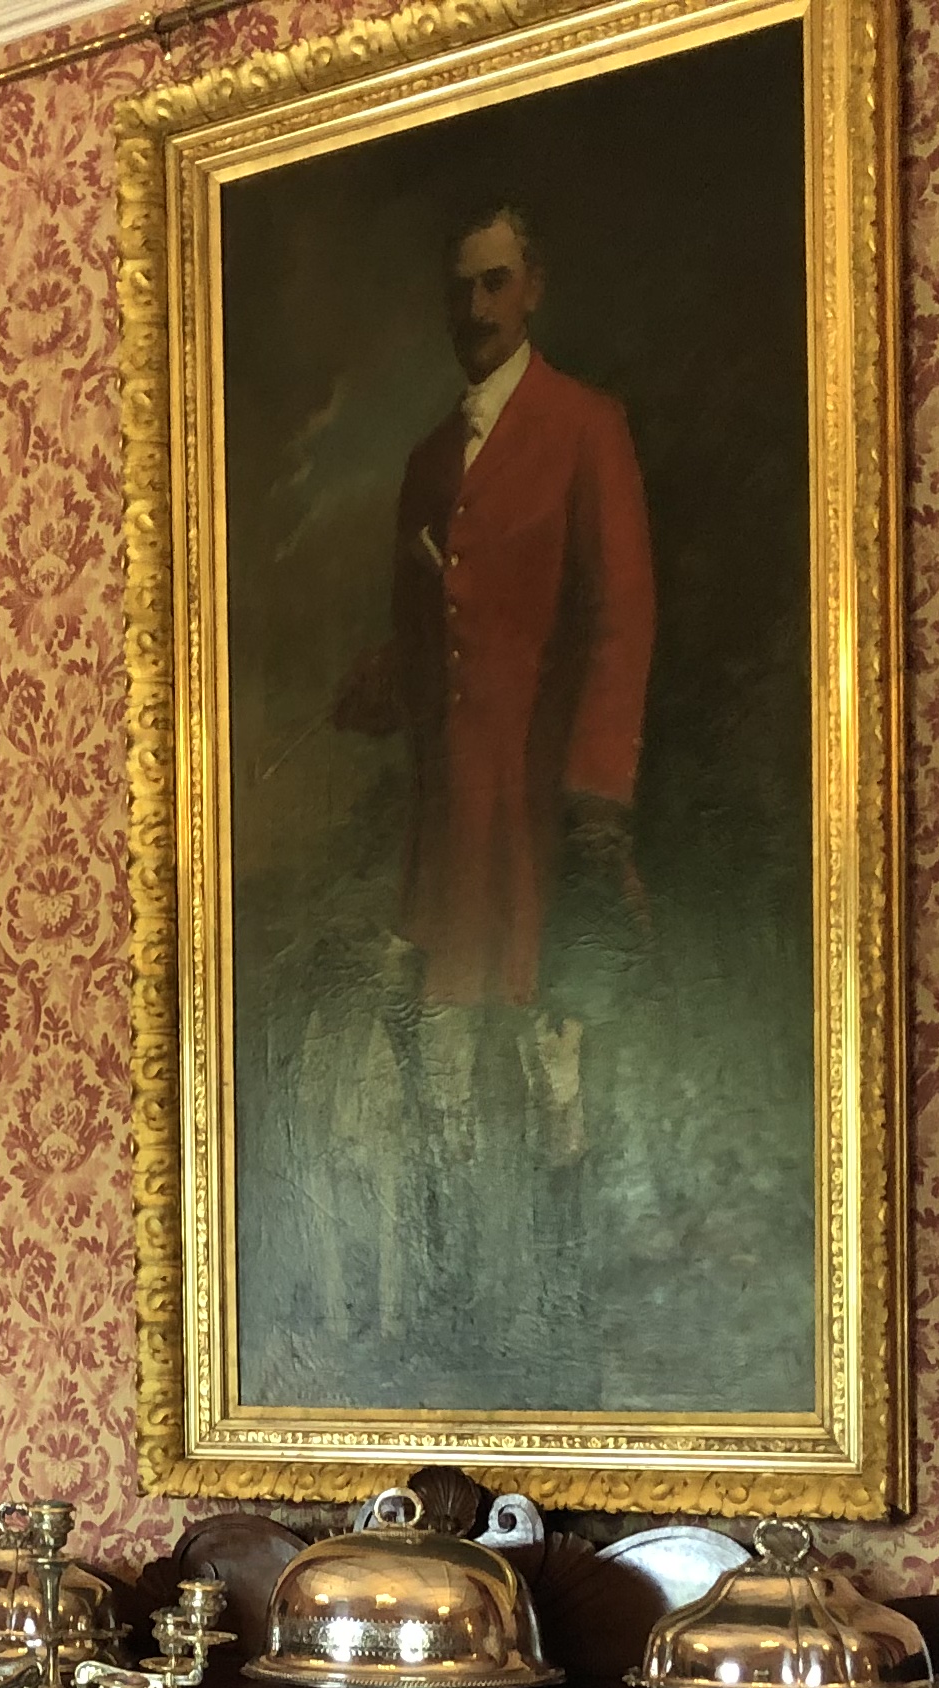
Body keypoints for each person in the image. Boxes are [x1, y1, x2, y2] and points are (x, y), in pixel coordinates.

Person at [330, 205, 655, 1334]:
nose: (474, 310)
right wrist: (381, 685)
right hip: (446, 819)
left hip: (542, 810)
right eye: (461, 289)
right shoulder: (429, 461)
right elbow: (430, 637)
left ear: (533, 289)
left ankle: (562, 1308)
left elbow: (620, 623)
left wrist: (597, 800)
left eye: (495, 284)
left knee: (552, 1060)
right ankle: (461, 1309)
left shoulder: (584, 425)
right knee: (444, 1064)